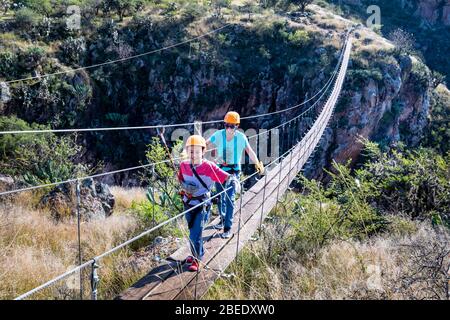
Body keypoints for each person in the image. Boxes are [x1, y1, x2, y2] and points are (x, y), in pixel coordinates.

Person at [177, 135, 232, 272]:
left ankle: (197, 259)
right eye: (190, 151)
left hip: (202, 204)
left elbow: (225, 178)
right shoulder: (184, 165)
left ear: (203, 152)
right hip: (188, 203)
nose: (194, 154)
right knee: (192, 231)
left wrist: (233, 180)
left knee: (195, 233)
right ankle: (195, 253)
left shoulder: (209, 166)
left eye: (197, 151)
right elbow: (181, 179)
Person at [206, 111, 264, 239]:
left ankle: (227, 228)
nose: (228, 128)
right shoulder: (218, 135)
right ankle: (222, 219)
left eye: (231, 126)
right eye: (226, 125)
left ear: (237, 126)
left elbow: (250, 151)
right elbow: (205, 143)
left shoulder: (241, 137)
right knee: (221, 197)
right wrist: (194, 153)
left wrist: (258, 164)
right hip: (219, 170)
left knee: (230, 199)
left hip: (233, 172)